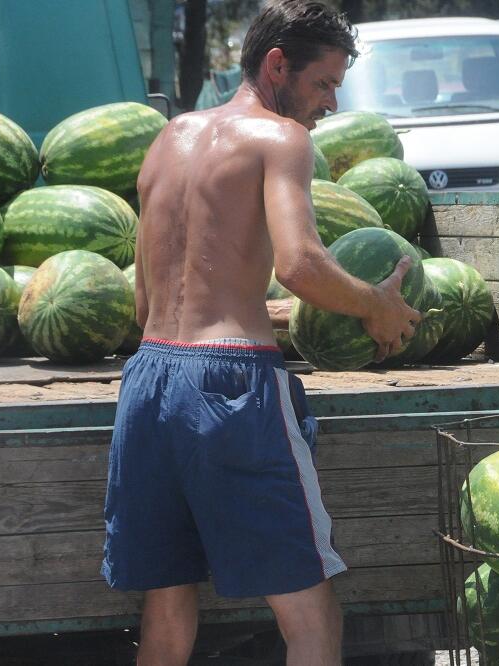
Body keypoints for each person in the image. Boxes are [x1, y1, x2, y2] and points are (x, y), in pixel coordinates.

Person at [100, 2, 421, 665]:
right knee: (311, 617)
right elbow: (300, 263)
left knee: (164, 610)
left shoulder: (170, 138)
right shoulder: (282, 139)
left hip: (149, 383)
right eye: (325, 83)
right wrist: (374, 307)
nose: (331, 103)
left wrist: (257, 309)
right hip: (231, 392)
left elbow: (145, 302)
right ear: (278, 64)